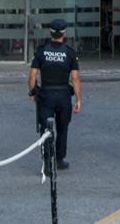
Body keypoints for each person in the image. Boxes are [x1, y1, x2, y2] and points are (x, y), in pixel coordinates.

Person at [29, 19, 81, 169]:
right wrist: (78, 99)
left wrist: (32, 92)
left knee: (45, 129)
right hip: (64, 95)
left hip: (46, 95)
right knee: (62, 128)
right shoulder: (70, 53)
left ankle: (46, 162)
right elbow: (75, 78)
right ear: (64, 34)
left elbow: (33, 75)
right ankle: (59, 159)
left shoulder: (41, 51)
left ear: (50, 32)